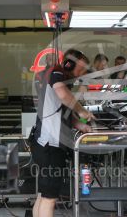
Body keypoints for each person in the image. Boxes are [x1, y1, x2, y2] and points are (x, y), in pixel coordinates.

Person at [31, 49, 95, 217]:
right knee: (50, 198)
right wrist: (81, 111)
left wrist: (80, 126)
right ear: (70, 63)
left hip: (44, 143)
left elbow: (62, 111)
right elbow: (62, 95)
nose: (80, 73)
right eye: (80, 69)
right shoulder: (57, 72)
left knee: (43, 195)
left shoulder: (59, 77)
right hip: (50, 144)